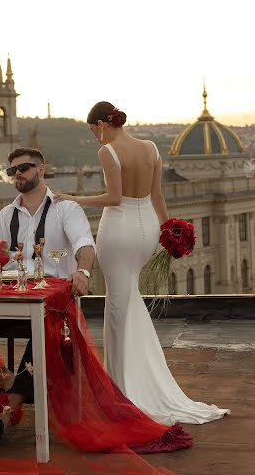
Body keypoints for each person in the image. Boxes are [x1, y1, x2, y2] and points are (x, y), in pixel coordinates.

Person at [54, 101, 230, 426]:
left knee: (118, 307)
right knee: (128, 301)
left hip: (119, 230)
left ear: (102, 124)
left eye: (94, 131)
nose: (95, 137)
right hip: (147, 228)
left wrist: (73, 198)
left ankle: (123, 391)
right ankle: (134, 381)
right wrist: (169, 231)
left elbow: (114, 198)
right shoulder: (151, 148)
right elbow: (158, 197)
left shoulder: (108, 151)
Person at [0, 147, 95, 445]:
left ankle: (3, 412)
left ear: (41, 169)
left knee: (43, 328)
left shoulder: (65, 208)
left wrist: (83, 273)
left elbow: (84, 245)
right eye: (12, 171)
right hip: (9, 300)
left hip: (52, 303)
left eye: (24, 168)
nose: (18, 174)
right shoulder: (6, 214)